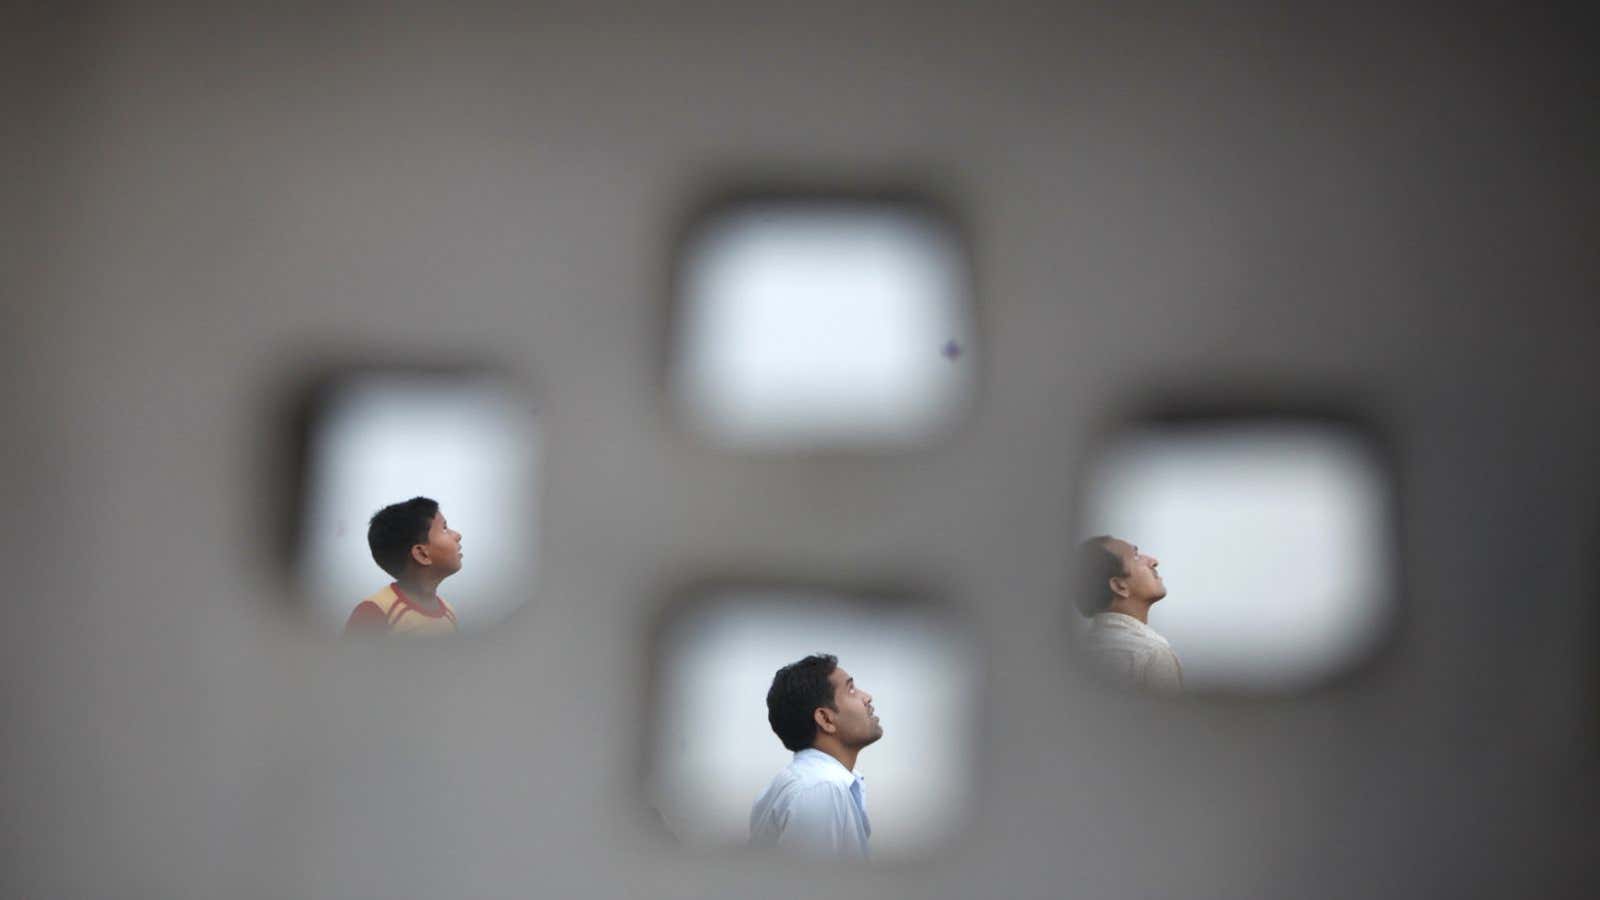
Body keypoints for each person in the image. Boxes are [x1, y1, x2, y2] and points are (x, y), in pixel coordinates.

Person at [750, 654, 882, 860]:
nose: (867, 697)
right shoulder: (821, 788)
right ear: (825, 718)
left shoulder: (808, 781)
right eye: (851, 689)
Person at [1075, 535, 1183, 695]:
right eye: (1136, 556)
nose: (1154, 561)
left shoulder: (1074, 654)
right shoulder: (1152, 655)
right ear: (1119, 586)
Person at [343, 496, 463, 637]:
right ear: (422, 554)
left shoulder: (449, 613)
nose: (457, 535)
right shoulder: (374, 612)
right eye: (444, 528)